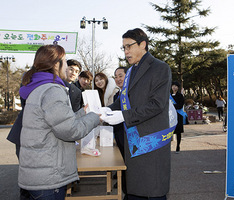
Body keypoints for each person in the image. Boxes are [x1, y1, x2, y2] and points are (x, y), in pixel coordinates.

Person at [17, 45, 101, 199]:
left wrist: (83, 113)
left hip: (38, 173)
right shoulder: (52, 90)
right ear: (56, 64)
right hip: (48, 178)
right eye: (64, 61)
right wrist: (95, 117)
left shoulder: (38, 87)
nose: (67, 67)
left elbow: (57, 121)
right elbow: (71, 131)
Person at [101, 28, 172, 200]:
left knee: (152, 190)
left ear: (143, 44)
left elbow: (157, 105)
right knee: (134, 189)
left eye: (129, 46)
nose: (125, 52)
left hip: (150, 140)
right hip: (133, 140)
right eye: (123, 48)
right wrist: (110, 108)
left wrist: (124, 116)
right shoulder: (132, 70)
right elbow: (125, 99)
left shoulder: (160, 68)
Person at [170, 81, 185, 153]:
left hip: (178, 115)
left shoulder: (180, 96)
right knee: (170, 132)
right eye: (173, 86)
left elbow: (180, 106)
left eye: (175, 86)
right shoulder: (169, 96)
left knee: (178, 132)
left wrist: (172, 106)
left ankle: (178, 146)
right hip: (171, 116)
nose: (174, 87)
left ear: (178, 87)